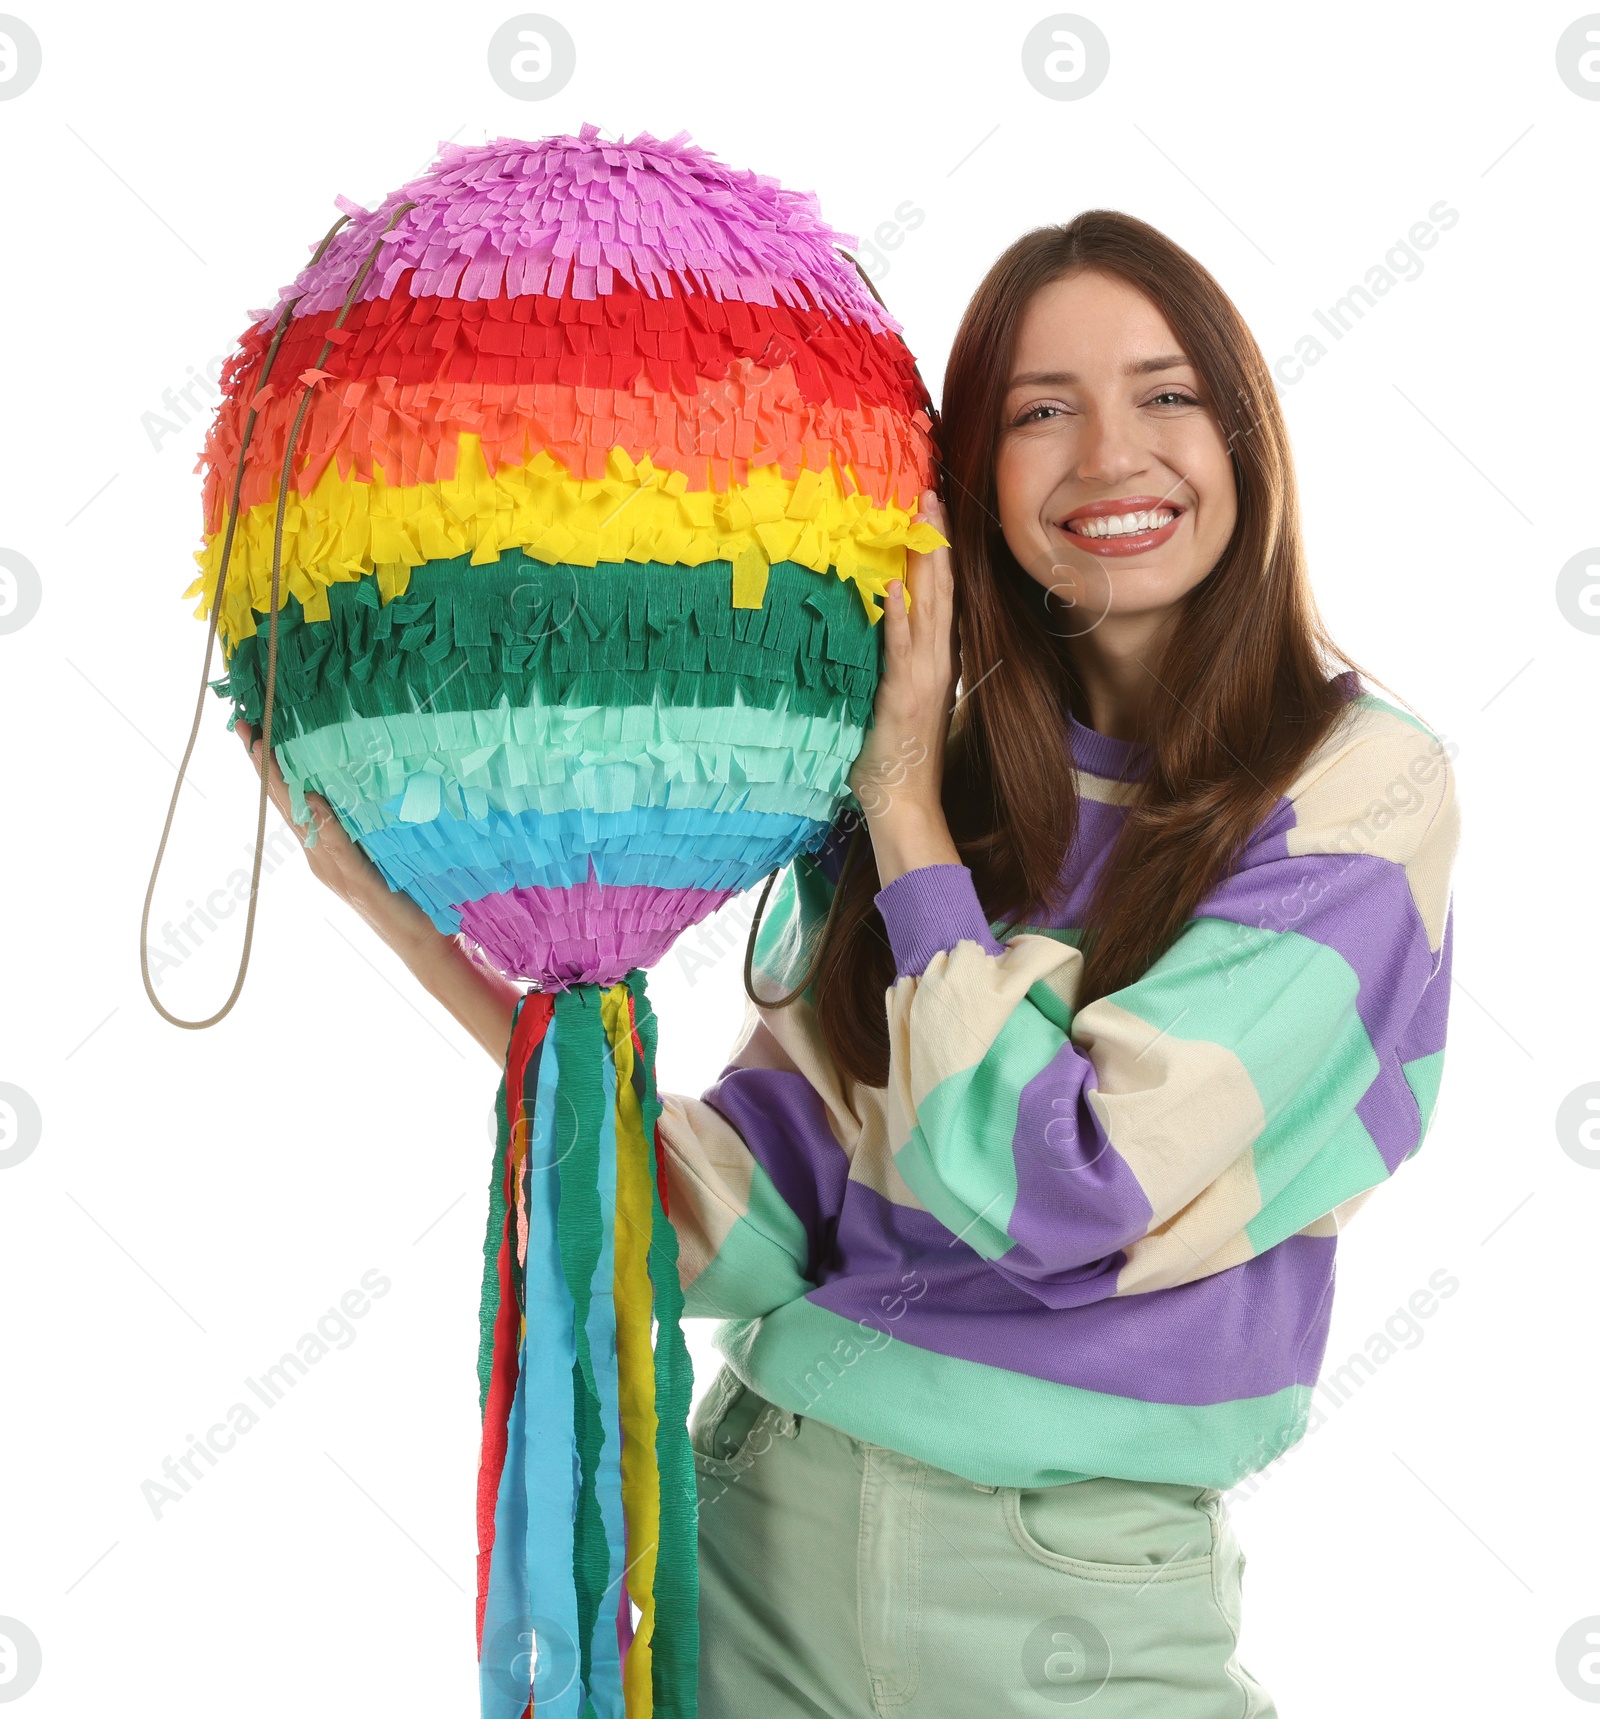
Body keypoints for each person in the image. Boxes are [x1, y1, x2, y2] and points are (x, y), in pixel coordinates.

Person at [239, 209, 1458, 1717]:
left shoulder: (1357, 793)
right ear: (972, 485)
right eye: (1038, 412)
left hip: (1075, 1593)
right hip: (765, 1541)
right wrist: (420, 923)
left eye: (1165, 394)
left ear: (1246, 434)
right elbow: (726, 1234)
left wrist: (899, 807)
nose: (1108, 456)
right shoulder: (937, 795)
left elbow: (1064, 1195)